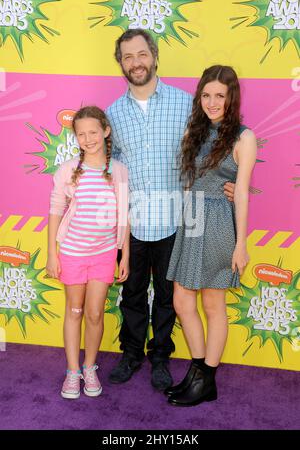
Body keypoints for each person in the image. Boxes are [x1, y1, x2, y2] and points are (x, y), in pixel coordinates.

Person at [106, 29, 235, 391]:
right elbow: (114, 166)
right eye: (128, 57)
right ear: (120, 63)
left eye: (142, 54)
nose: (136, 62)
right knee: (131, 293)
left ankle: (160, 356)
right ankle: (131, 353)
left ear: (155, 56)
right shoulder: (113, 114)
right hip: (133, 220)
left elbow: (219, 146)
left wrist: (233, 184)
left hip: (179, 218)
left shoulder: (185, 104)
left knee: (169, 296)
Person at [165, 65, 257, 406]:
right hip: (191, 219)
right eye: (206, 95)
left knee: (213, 303)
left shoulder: (244, 137)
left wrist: (241, 244)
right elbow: (190, 179)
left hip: (219, 221)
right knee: (182, 301)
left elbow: (243, 191)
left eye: (220, 95)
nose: (213, 101)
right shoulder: (196, 130)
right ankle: (198, 372)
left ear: (231, 97)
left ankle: (207, 378)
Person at [46, 106, 130, 399]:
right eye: (81, 134)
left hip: (104, 254)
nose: (88, 138)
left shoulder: (118, 170)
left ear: (105, 131)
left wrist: (124, 255)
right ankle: (72, 371)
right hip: (72, 252)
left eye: (93, 132)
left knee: (94, 313)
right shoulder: (69, 169)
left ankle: (90, 367)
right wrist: (51, 254)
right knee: (74, 310)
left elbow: (123, 216)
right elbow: (56, 210)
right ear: (76, 138)